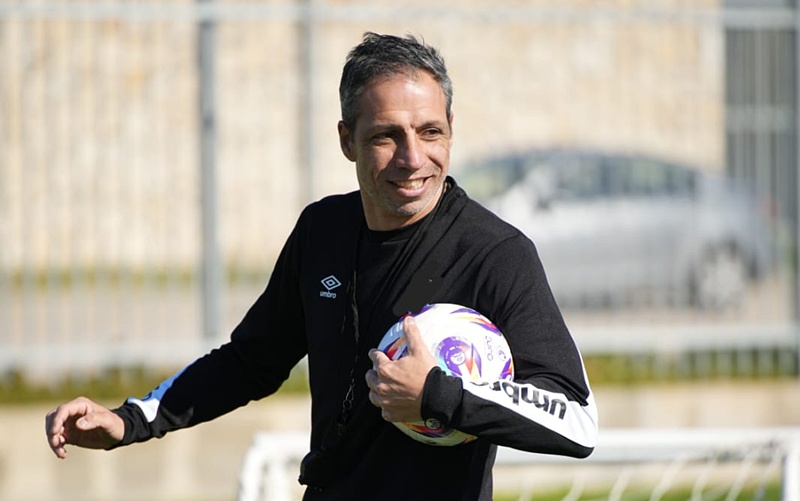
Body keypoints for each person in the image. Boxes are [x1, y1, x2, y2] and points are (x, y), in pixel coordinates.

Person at [45, 32, 598, 500]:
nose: (413, 158)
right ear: (346, 140)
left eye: (430, 131)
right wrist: (130, 420)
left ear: (450, 128)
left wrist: (437, 394)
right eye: (386, 136)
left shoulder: (495, 253)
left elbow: (574, 418)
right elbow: (251, 360)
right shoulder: (323, 231)